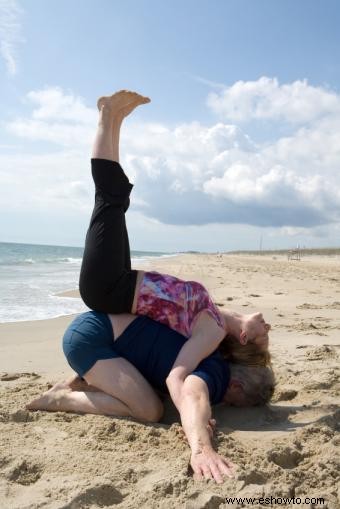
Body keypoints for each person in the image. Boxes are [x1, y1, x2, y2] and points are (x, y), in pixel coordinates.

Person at [78, 90, 272, 410]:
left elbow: (176, 375)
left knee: (110, 198)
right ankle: (114, 119)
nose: (267, 326)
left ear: (245, 339)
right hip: (123, 281)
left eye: (262, 334)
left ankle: (106, 117)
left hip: (109, 288)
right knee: (117, 200)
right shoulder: (215, 316)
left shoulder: (212, 332)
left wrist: (189, 409)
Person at [27, 309, 275, 484]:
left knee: (150, 389)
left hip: (94, 326)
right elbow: (193, 393)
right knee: (149, 410)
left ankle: (86, 380)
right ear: (237, 386)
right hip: (90, 340)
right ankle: (61, 398)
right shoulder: (218, 372)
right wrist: (202, 448)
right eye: (236, 403)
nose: (227, 403)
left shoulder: (209, 342)